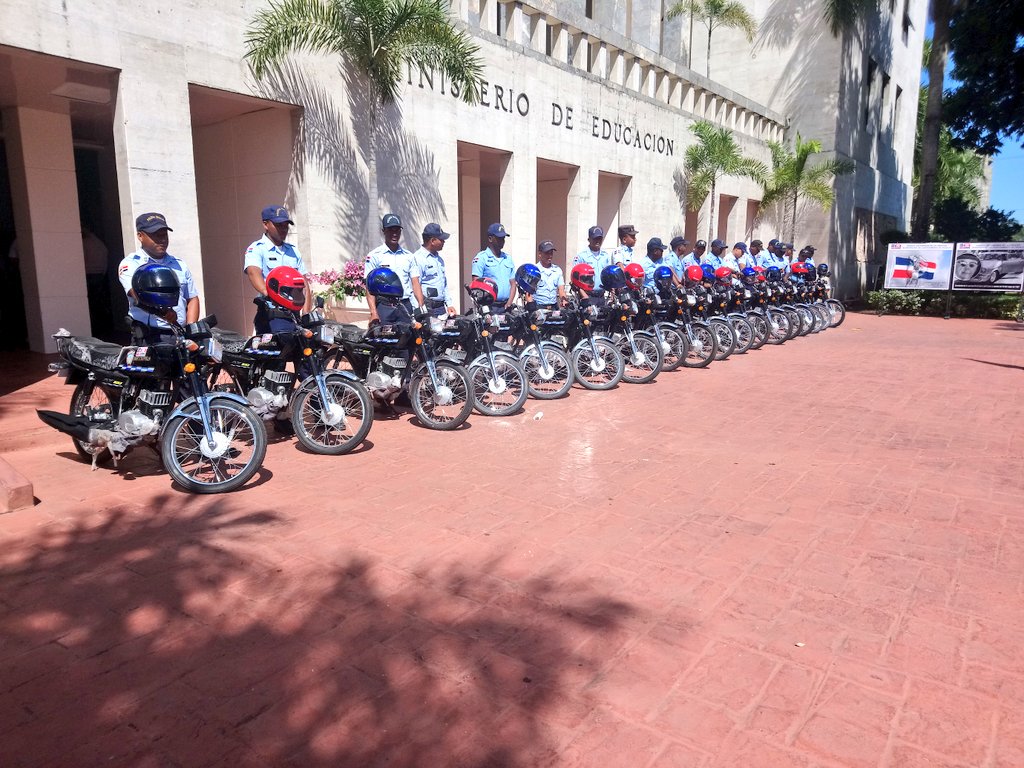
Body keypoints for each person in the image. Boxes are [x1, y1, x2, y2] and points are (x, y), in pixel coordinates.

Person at [118, 212, 199, 342]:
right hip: (149, 337)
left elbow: (192, 298)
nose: (162, 239)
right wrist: (163, 311)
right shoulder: (131, 264)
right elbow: (136, 294)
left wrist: (191, 331)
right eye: (155, 235)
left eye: (164, 234)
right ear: (140, 236)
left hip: (179, 334)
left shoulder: (179, 264)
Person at [243, 205, 311, 332]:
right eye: (279, 225)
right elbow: (253, 273)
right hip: (272, 314)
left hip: (294, 313)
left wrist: (306, 313)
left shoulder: (293, 251)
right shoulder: (257, 248)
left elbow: (303, 282)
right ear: (265, 224)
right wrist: (269, 295)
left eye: (286, 225)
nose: (284, 229)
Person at [363, 213, 422, 323]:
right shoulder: (374, 256)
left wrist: (421, 307)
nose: (394, 234)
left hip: (405, 306)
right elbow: (369, 287)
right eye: (391, 230)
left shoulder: (409, 256)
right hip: (385, 307)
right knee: (385, 339)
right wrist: (374, 313)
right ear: (383, 231)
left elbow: (415, 283)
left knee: (410, 338)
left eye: (397, 230)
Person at [413, 223, 456, 317]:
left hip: (441, 308)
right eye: (441, 240)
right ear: (432, 241)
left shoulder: (439, 260)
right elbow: (415, 286)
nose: (444, 242)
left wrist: (449, 304)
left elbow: (444, 284)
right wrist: (420, 310)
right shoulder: (418, 259)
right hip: (428, 308)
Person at [471, 222, 516, 310]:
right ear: (490, 239)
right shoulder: (481, 258)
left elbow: (513, 284)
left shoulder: (508, 258)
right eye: (499, 238)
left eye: (503, 238)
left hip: (506, 305)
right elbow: (476, 284)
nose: (502, 241)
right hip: (490, 307)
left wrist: (509, 303)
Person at [572, 226, 612, 293]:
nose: (598, 241)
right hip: (587, 295)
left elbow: (609, 276)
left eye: (600, 238)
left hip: (602, 295)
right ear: (589, 239)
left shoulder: (606, 256)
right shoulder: (581, 256)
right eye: (595, 239)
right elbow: (575, 278)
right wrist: (583, 295)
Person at [534, 240, 566, 308]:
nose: (550, 256)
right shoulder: (535, 270)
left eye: (551, 253)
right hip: (538, 306)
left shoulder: (557, 270)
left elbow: (561, 290)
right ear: (539, 254)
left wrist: (564, 300)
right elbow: (529, 293)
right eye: (547, 253)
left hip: (553, 306)